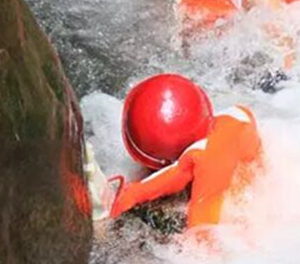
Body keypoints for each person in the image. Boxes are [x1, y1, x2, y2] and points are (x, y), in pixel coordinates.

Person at [109, 73, 262, 229]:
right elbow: (177, 173)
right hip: (257, 187)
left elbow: (203, 235)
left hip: (245, 212)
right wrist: (133, 194)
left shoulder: (206, 164)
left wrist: (127, 198)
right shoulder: (237, 115)